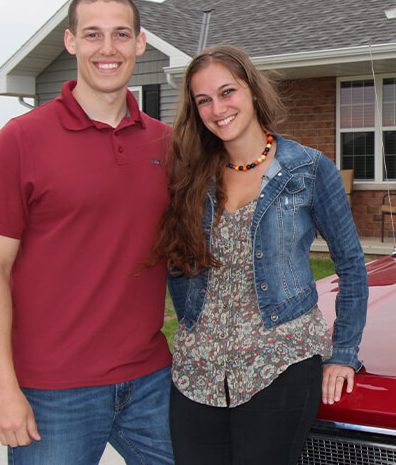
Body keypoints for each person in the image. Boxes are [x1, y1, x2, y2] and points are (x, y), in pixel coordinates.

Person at [0, 0, 173, 464]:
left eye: (121, 34)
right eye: (92, 34)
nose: (108, 48)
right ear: (70, 42)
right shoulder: (20, 140)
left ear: (140, 43)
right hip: (52, 391)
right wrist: (2, 389)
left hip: (150, 380)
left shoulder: (168, 144)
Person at [150, 45, 368, 464]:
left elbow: (352, 266)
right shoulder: (190, 175)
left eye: (227, 92)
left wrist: (343, 354)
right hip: (199, 371)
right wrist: (193, 322)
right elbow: (178, 264)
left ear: (251, 90)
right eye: (204, 100)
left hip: (280, 363)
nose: (218, 108)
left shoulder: (309, 169)